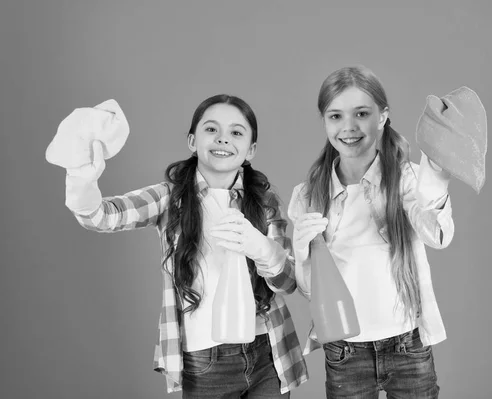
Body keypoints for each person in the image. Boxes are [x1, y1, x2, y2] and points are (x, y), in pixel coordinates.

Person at [61, 94, 308, 398]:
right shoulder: (169, 197)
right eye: (211, 129)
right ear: (192, 141)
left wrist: (265, 250)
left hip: (267, 352)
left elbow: (287, 285)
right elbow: (100, 217)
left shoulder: (265, 202)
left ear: (250, 149)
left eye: (236, 132)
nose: (223, 139)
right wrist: (82, 176)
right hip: (204, 360)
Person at [289, 66, 455, 398]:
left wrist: (435, 177)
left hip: (408, 346)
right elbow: (310, 291)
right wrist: (301, 254)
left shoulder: (409, 179)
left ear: (382, 117)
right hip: (345, 352)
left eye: (361, 113)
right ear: (324, 121)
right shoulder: (308, 195)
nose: (348, 127)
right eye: (335, 116)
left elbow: (438, 236)